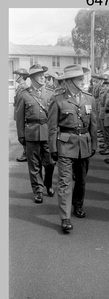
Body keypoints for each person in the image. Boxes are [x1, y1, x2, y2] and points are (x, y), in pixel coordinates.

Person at [48, 64, 97, 232]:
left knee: (81, 180)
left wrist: (94, 144)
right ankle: (65, 217)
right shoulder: (58, 99)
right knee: (64, 182)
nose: (82, 81)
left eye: (82, 78)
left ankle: (78, 205)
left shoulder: (89, 98)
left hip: (84, 144)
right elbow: (53, 127)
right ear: (69, 82)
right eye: (79, 79)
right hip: (65, 145)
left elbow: (93, 124)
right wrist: (53, 148)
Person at [16, 64, 55, 203]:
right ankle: (38, 190)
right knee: (34, 164)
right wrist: (21, 135)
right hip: (31, 132)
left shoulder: (51, 93)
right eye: (40, 75)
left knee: (50, 162)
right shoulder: (24, 95)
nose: (43, 77)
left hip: (48, 132)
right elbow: (19, 116)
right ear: (32, 78)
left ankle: (48, 183)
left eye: (44, 75)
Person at [13, 68, 30, 162]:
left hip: (23, 114)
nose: (15, 77)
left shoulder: (24, 87)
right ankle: (26, 152)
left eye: (17, 75)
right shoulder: (20, 87)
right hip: (19, 112)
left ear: (21, 76)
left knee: (23, 133)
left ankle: (27, 153)